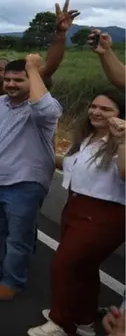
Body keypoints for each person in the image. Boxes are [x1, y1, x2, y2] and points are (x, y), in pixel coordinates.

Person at [28, 91, 125, 336]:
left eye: (106, 109)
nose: (96, 112)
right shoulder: (87, 138)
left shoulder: (121, 142)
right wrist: (46, 147)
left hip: (104, 214)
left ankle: (60, 321)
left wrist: (123, 140)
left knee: (64, 265)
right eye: (93, 106)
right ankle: (84, 320)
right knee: (85, 269)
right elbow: (69, 166)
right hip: (75, 207)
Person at [0, 55, 63, 301]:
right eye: (8, 79)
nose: (11, 84)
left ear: (31, 81)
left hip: (23, 184)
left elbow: (45, 108)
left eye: (18, 80)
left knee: (18, 236)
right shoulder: (1, 104)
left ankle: (13, 280)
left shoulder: (42, 109)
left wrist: (33, 69)